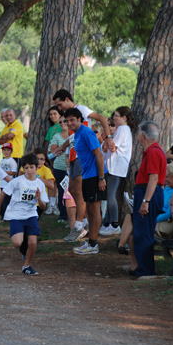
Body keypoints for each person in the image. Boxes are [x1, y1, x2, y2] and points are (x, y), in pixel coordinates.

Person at [53, 89, 113, 243]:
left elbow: (102, 118)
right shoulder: (76, 129)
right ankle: (85, 223)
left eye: (60, 105)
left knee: (84, 197)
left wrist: (108, 138)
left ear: (67, 99)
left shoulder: (82, 111)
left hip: (86, 162)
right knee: (73, 190)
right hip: (75, 158)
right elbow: (73, 136)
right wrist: (64, 147)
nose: (59, 109)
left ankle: (81, 225)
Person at [0, 153, 49, 275]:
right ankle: (21, 234)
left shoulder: (40, 184)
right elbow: (3, 193)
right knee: (17, 243)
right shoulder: (17, 181)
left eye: (31, 167)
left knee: (33, 242)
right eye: (26, 168)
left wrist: (39, 200)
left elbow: (44, 206)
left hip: (31, 214)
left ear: (36, 167)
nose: (29, 170)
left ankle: (27, 265)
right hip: (16, 214)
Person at [64, 107, 106, 255]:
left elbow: (99, 155)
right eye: (67, 121)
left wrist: (101, 178)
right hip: (87, 176)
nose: (70, 123)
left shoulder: (87, 132)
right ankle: (90, 242)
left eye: (72, 120)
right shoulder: (76, 134)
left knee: (94, 210)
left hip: (95, 176)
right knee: (90, 209)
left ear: (80, 120)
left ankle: (93, 245)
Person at [132, 121, 167, 278]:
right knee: (141, 232)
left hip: (149, 194)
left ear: (143, 135)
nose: (138, 137)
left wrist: (146, 201)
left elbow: (153, 179)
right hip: (147, 192)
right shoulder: (153, 151)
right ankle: (142, 268)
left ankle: (146, 271)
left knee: (144, 233)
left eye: (139, 134)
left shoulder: (153, 152)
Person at [99, 106, 134, 236]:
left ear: (124, 118)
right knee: (110, 195)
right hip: (115, 166)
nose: (114, 118)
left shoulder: (122, 129)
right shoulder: (123, 130)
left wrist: (107, 142)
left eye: (116, 116)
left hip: (116, 166)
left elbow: (112, 147)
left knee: (110, 195)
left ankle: (114, 224)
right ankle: (108, 222)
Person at [50, 116, 70, 222]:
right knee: (61, 190)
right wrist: (66, 145)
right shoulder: (56, 136)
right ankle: (63, 215)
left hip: (72, 168)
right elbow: (53, 150)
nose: (62, 123)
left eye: (65, 121)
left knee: (73, 192)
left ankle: (72, 214)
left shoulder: (74, 135)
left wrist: (61, 148)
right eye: (61, 122)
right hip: (59, 167)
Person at [0, 143, 18, 217]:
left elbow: (14, 172)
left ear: (11, 151)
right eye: (4, 150)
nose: (6, 152)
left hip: (8, 182)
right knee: (2, 199)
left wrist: (4, 172)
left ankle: (6, 215)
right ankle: (2, 214)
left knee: (6, 200)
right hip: (2, 183)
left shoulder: (12, 161)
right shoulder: (2, 161)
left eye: (8, 150)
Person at [155, 164, 173, 238]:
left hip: (166, 221)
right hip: (159, 216)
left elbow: (168, 214)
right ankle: (123, 246)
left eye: (167, 177)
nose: (165, 179)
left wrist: (153, 219)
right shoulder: (167, 188)